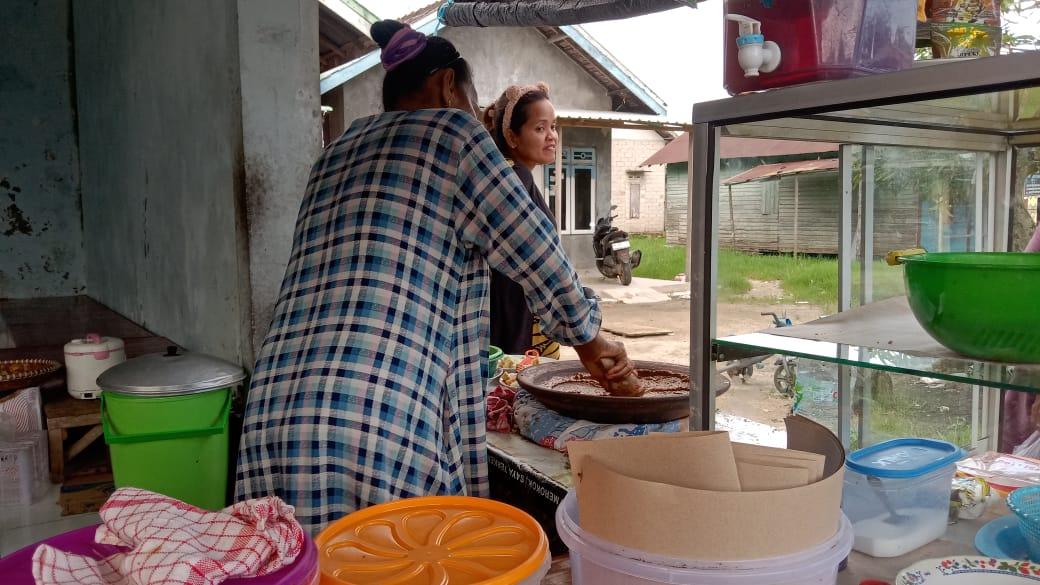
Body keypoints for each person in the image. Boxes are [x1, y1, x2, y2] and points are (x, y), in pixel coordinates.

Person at [234, 20, 634, 533]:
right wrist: (596, 349)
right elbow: (540, 257)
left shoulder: (334, 155)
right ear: (448, 84)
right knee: (399, 563)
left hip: (272, 417)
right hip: (380, 420)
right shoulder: (454, 134)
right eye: (470, 100)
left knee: (305, 567)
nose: (474, 115)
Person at [483, 82, 563, 359]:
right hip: (518, 316)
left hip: (511, 312)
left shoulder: (510, 176)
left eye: (553, 126)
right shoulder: (516, 178)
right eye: (540, 128)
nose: (551, 136)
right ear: (512, 136)